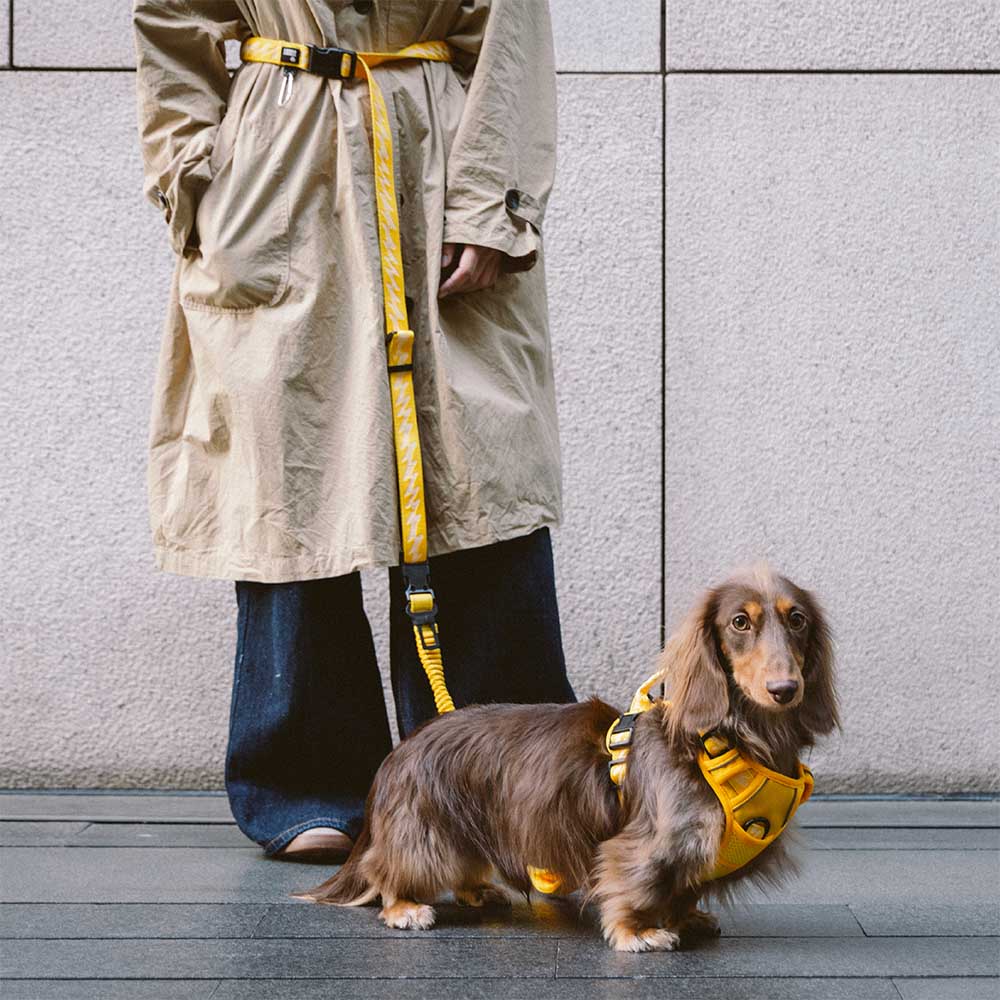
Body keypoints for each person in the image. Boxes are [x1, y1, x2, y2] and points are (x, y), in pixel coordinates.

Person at [132, 0, 574, 861]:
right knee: (287, 479)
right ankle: (309, 776)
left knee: (475, 469)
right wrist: (193, 173)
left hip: (434, 161)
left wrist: (491, 205)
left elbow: (512, 31)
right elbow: (173, 20)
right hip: (278, 171)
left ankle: (511, 779)